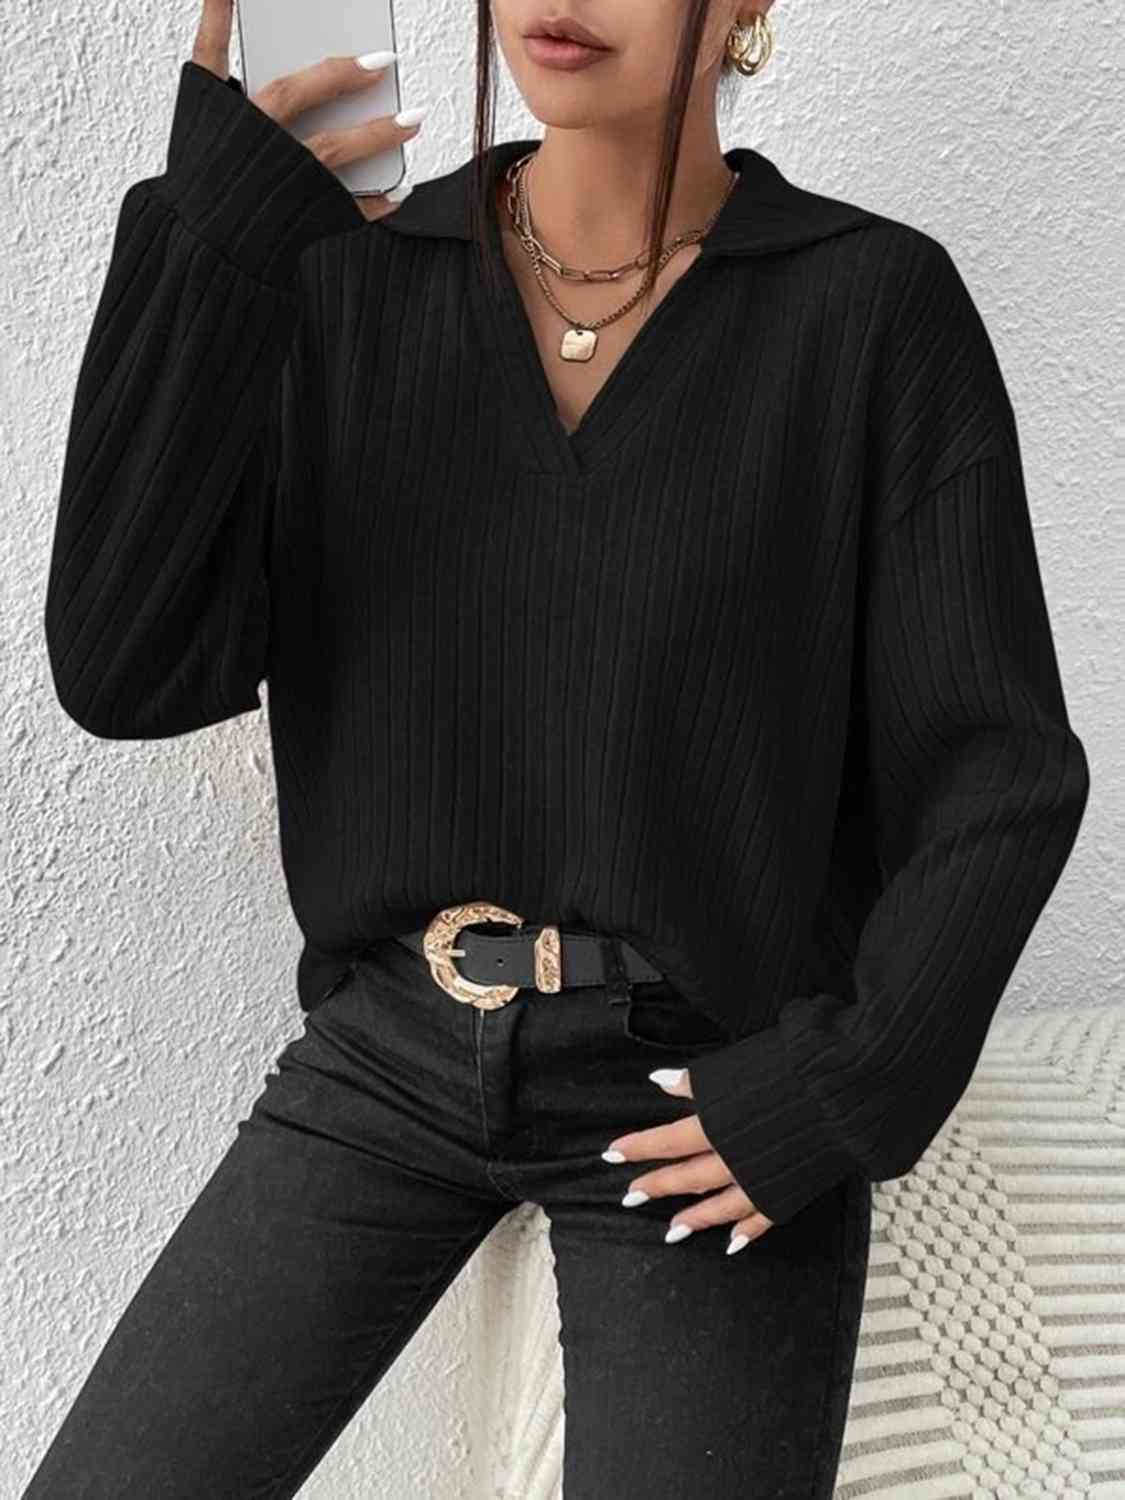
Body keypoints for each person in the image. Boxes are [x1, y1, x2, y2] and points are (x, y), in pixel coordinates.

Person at [24, 0, 1090, 1495]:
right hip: (390, 1054)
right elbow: (127, 670)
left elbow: (998, 765)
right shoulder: (346, 280)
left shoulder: (868, 307)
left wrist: (842, 1088)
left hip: (696, 1088)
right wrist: (213, 236)